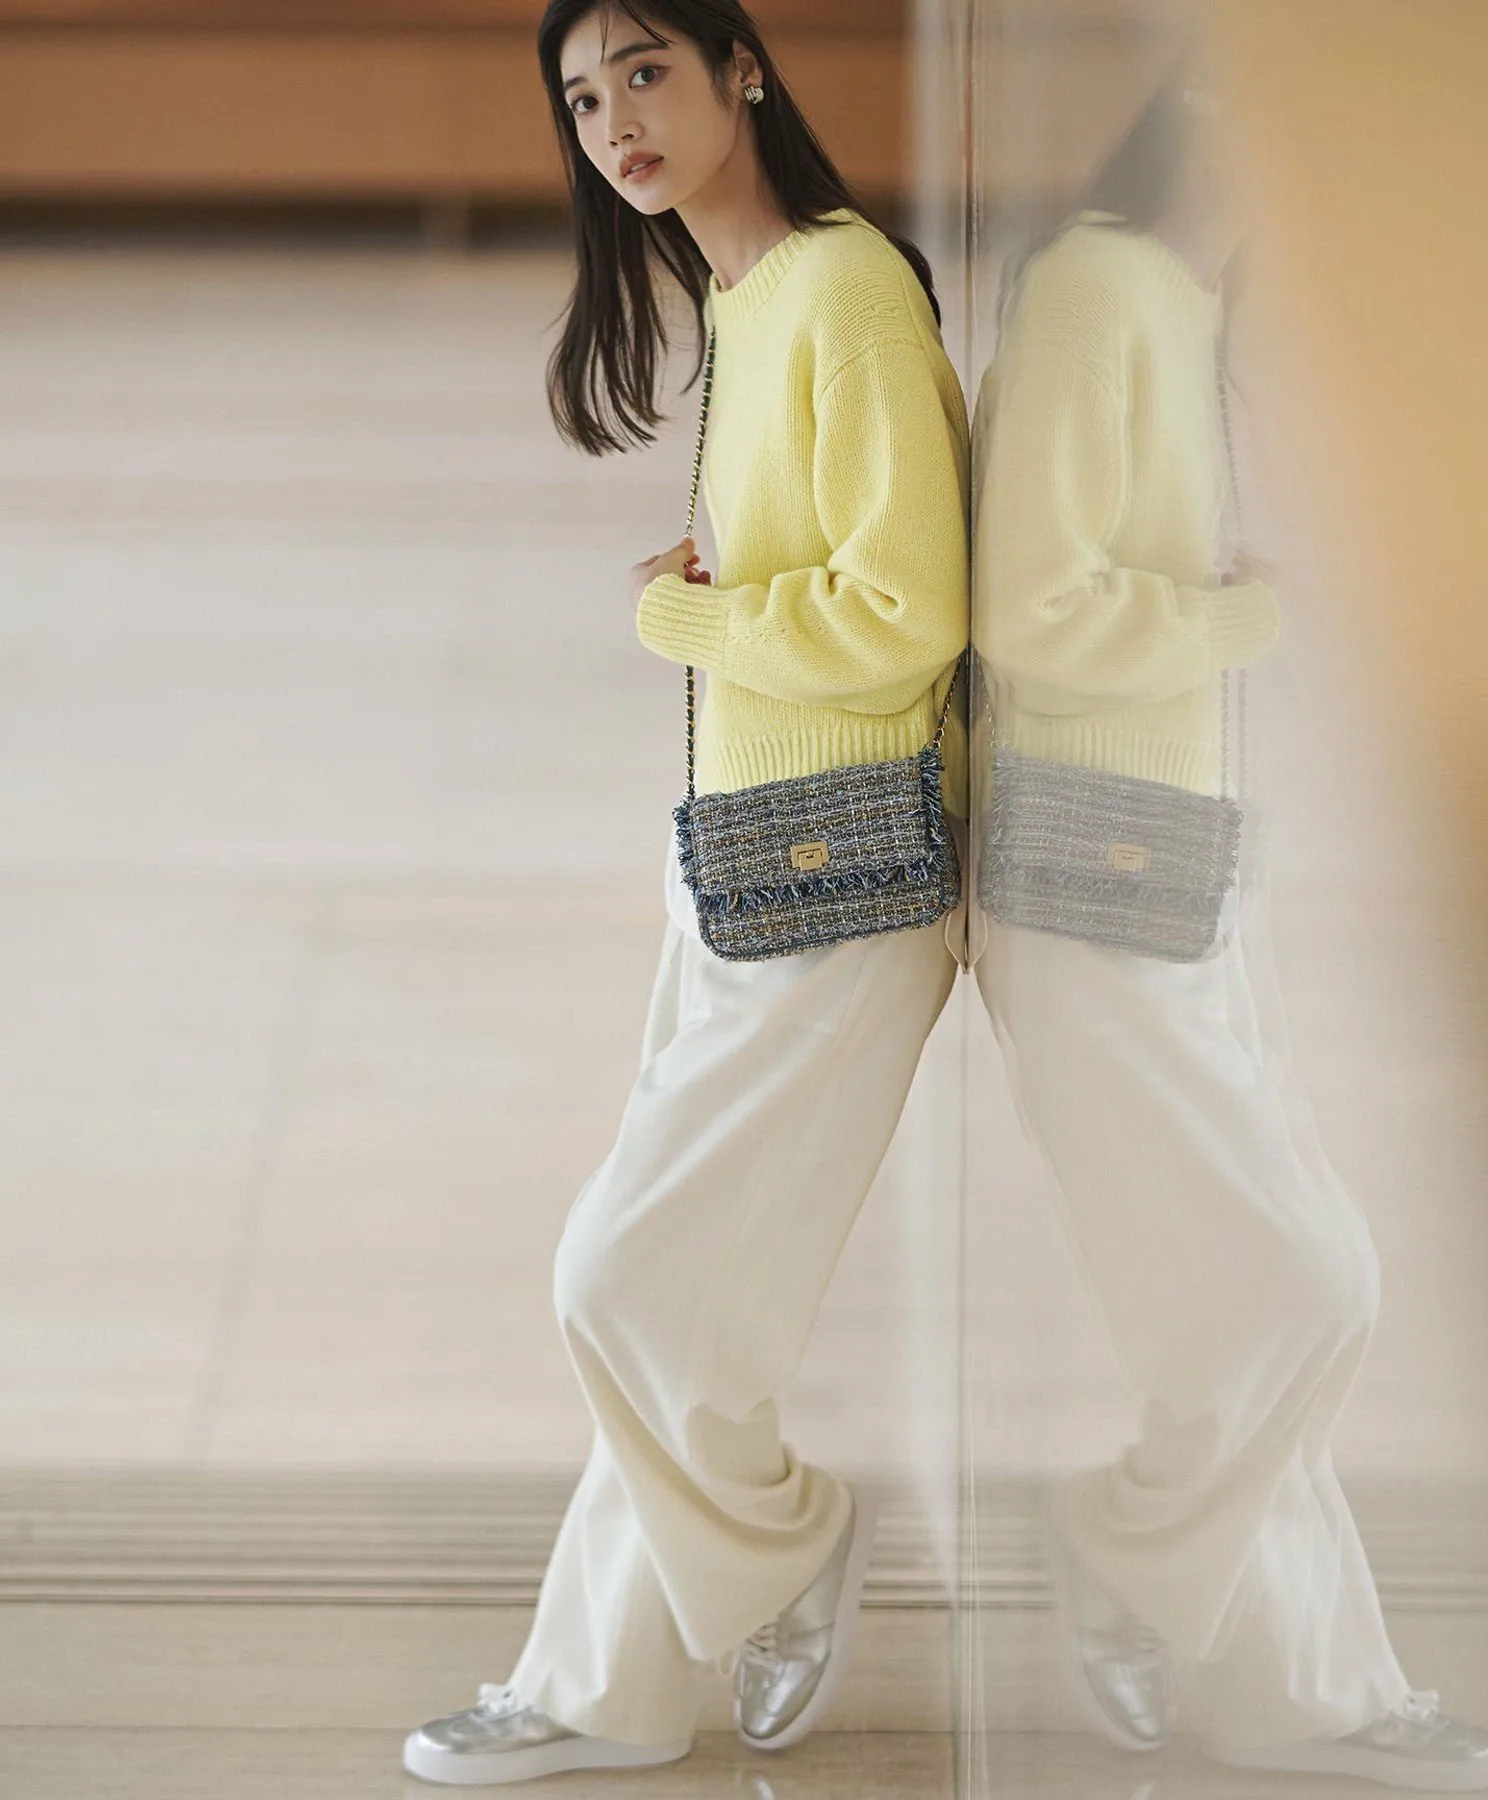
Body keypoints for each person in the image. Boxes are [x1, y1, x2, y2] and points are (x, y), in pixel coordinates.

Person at [402, 0, 969, 1785]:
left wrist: (690, 618)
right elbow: (824, 568)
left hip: (848, 878)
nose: (616, 120)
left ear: (744, 70)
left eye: (647, 71)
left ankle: (790, 1536)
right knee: (682, 1331)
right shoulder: (746, 301)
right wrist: (729, 588)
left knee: (621, 1284)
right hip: (743, 852)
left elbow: (909, 617)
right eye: (584, 97)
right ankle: (605, 1689)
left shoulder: (844, 291)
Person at [969, 64, 1488, 1789]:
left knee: (1246, 1322)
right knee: (1302, 1288)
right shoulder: (1098, 288)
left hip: (1172, 868)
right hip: (1088, 884)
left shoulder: (1177, 303)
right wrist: (1238, 616)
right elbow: (1032, 610)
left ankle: (1318, 1690)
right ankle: (1121, 1545)